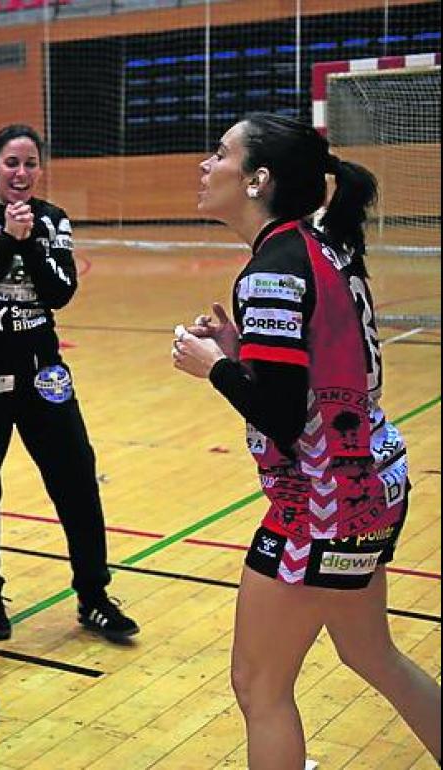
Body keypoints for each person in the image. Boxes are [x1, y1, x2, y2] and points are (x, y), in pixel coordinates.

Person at [173, 112, 441, 769]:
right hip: (370, 482)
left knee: (259, 686)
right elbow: (318, 373)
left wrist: (215, 368)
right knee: (369, 652)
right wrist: (242, 351)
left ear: (258, 179)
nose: (206, 167)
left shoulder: (272, 270)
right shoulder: (317, 249)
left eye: (220, 155)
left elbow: (283, 414)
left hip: (322, 504)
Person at [0, 124, 139, 644]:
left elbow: (59, 292)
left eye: (30, 163)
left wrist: (27, 240)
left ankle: (93, 596)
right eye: (11, 162)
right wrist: (5, 242)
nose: (21, 173)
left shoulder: (54, 221)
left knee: (76, 474)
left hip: (43, 368)